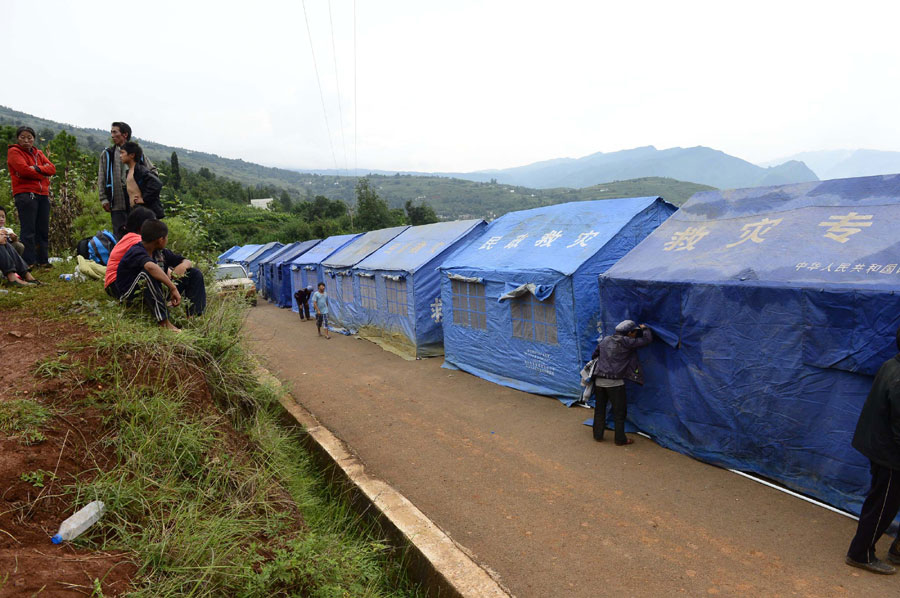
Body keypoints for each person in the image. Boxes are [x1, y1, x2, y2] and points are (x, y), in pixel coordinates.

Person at [845, 326, 900, 574]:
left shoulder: (891, 364)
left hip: (880, 446)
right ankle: (861, 553)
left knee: (881, 500)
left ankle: (896, 550)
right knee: (882, 505)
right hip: (890, 454)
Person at [115, 220, 205, 332]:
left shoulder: (161, 252)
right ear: (160, 239)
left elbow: (186, 261)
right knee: (147, 275)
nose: (167, 240)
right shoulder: (136, 251)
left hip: (155, 293)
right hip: (131, 296)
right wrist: (172, 287)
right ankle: (164, 322)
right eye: (166, 238)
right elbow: (151, 267)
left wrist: (183, 265)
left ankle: (193, 317)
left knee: (194, 274)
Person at [590, 320, 653, 446]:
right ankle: (620, 439)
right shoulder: (626, 342)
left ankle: (598, 435)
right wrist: (645, 328)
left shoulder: (606, 339)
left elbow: (594, 355)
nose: (635, 335)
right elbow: (647, 340)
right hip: (615, 383)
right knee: (620, 412)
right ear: (629, 333)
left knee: (599, 409)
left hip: (599, 381)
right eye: (635, 332)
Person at [98, 122, 157, 240]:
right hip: (117, 200)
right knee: (120, 235)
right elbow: (101, 176)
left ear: (125, 134)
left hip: (135, 201)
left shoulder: (137, 153)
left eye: (115, 132)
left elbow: (153, 173)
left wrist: (145, 196)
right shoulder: (108, 154)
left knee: (138, 234)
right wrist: (104, 198)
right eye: (111, 132)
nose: (112, 135)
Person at [6, 126, 55, 268]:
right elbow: (23, 170)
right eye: (22, 137)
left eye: (29, 137)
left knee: (42, 228)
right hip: (25, 194)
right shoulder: (14, 151)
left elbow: (52, 168)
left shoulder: (38, 153)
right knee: (29, 230)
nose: (26, 140)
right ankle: (29, 262)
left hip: (43, 194)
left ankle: (43, 260)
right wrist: (41, 172)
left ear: (34, 139)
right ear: (17, 138)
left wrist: (37, 168)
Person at [104, 207, 157, 298]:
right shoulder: (137, 240)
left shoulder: (129, 237)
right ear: (142, 228)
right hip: (116, 285)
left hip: (112, 284)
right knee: (150, 272)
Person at [120, 141, 164, 219]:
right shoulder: (129, 172)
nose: (120, 156)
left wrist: (144, 199)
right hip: (135, 211)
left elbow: (157, 183)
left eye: (122, 153)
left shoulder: (140, 170)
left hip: (145, 212)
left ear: (132, 155)